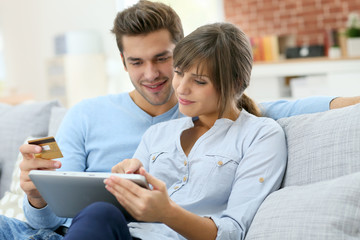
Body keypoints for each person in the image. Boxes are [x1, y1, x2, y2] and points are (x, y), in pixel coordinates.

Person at [0, 0, 358, 239]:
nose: (165, 80)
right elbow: (53, 221)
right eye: (137, 62)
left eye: (165, 60)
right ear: (123, 61)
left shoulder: (257, 129)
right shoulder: (143, 129)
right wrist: (38, 195)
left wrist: (164, 210)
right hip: (83, 229)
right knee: (90, 213)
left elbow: (290, 109)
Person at [63, 21, 287, 240]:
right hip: (126, 232)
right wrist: (124, 180)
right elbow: (130, 208)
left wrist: (166, 212)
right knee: (99, 211)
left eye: (199, 81)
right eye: (179, 73)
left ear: (236, 84)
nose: (181, 88)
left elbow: (233, 231)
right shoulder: (157, 134)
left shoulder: (261, 135)